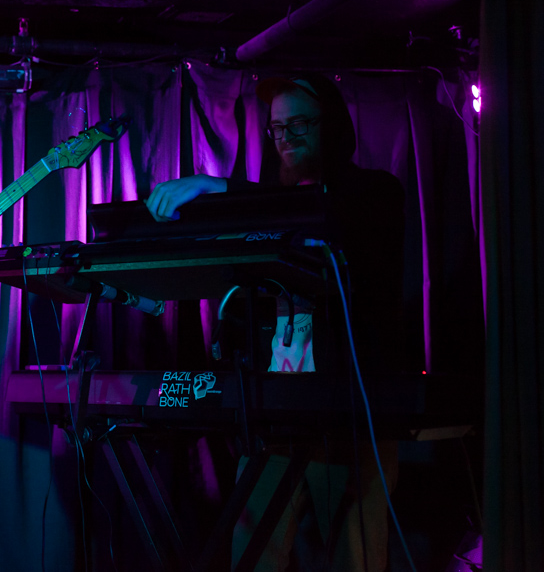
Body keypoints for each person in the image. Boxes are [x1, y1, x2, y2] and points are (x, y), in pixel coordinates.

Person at [146, 73, 405, 571]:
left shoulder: (374, 193)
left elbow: (326, 216)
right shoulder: (265, 216)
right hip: (277, 411)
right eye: (278, 128)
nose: (287, 139)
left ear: (334, 126)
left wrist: (218, 185)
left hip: (347, 410)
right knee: (253, 550)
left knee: (355, 555)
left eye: (300, 124)